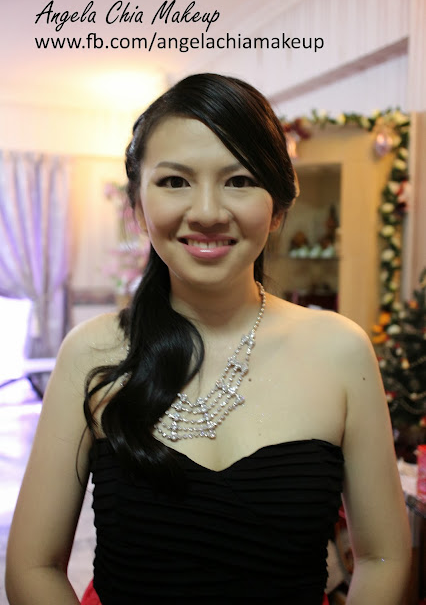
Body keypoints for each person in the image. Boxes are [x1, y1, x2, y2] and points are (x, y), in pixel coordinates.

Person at [6, 73, 410, 604]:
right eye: (175, 181)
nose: (207, 213)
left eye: (239, 180)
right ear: (137, 204)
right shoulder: (91, 352)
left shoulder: (341, 351)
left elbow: (383, 557)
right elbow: (32, 567)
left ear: (278, 207)